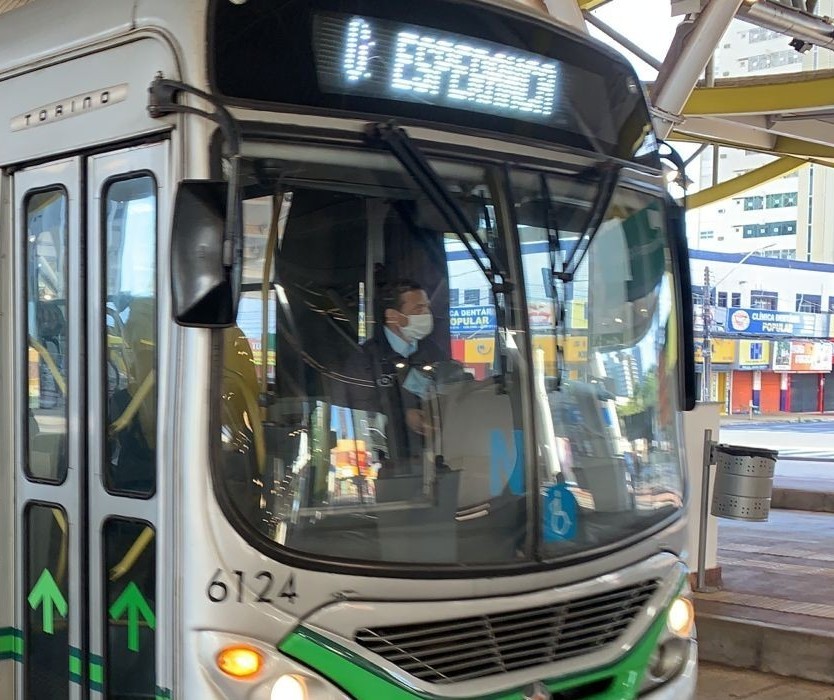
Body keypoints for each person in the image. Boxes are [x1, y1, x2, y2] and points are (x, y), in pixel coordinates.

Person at [334, 279, 445, 472]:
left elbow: (450, 385)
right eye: (418, 309)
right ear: (393, 316)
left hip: (435, 460)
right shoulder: (365, 359)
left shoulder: (433, 351)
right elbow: (361, 413)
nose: (426, 314)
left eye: (427, 307)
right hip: (387, 464)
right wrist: (404, 416)